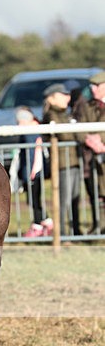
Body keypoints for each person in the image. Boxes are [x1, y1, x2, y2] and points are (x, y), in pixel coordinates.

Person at [42, 83, 80, 236]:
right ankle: (63, 233)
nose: (67, 98)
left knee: (74, 200)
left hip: (73, 161)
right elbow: (66, 135)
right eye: (63, 95)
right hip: (63, 163)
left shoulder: (65, 114)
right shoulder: (52, 115)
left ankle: (75, 231)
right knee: (64, 201)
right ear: (52, 98)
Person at [72, 70, 105, 234]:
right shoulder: (86, 106)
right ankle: (99, 226)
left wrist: (101, 140)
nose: (93, 89)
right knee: (96, 193)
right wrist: (90, 140)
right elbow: (78, 129)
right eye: (92, 86)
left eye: (97, 85)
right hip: (92, 158)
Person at [15, 106, 53, 238]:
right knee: (33, 200)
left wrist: (31, 172)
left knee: (34, 199)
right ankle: (45, 222)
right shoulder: (33, 130)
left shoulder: (31, 132)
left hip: (33, 172)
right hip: (33, 171)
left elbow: (33, 154)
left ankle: (39, 224)